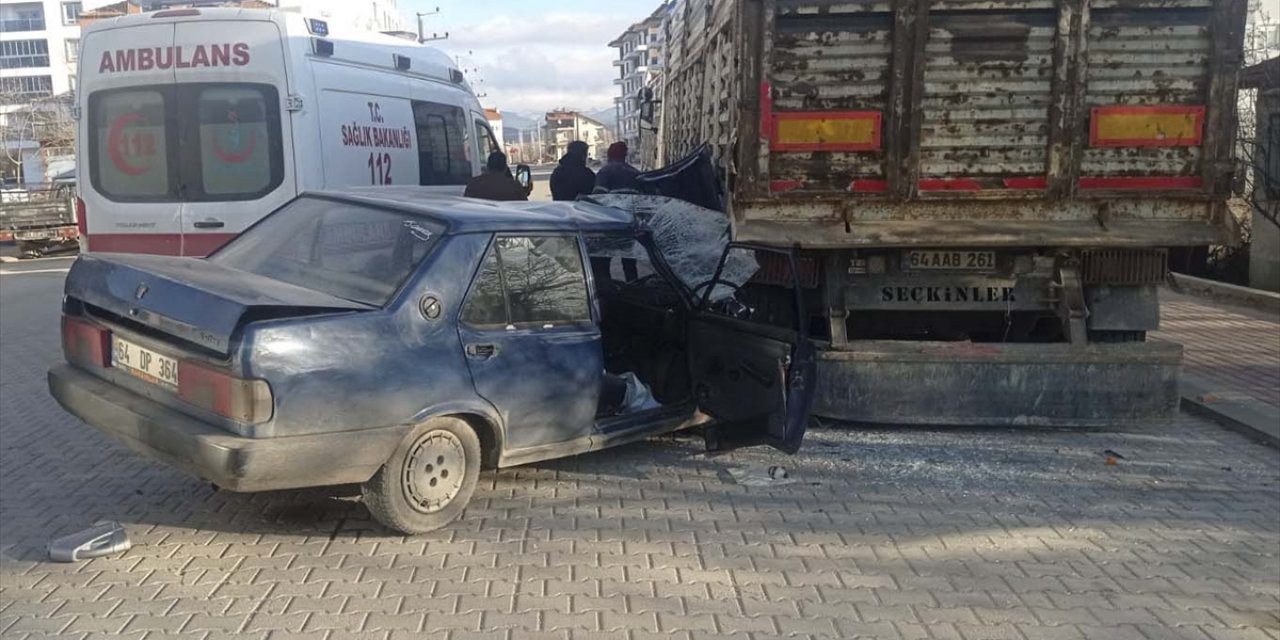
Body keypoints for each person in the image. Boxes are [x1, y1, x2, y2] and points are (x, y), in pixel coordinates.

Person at [464, 151, 529, 201]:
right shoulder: (514, 186)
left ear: (487, 167)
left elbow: (468, 208)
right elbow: (523, 208)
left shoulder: (473, 184)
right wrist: (525, 192)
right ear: (505, 168)